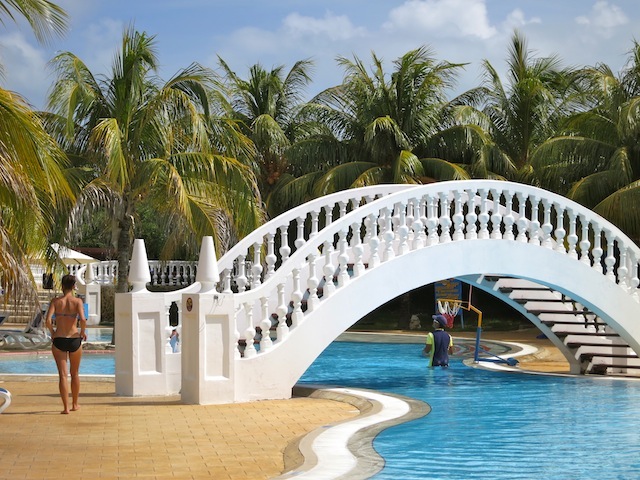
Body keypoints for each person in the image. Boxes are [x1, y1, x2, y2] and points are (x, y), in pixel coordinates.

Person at [45, 274, 87, 414]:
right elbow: (83, 319)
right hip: (74, 338)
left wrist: (52, 332)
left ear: (62, 286)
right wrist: (82, 332)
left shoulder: (56, 301)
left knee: (62, 375)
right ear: (74, 286)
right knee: (74, 374)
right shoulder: (77, 302)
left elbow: (48, 320)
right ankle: (75, 404)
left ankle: (65, 408)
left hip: (59, 339)